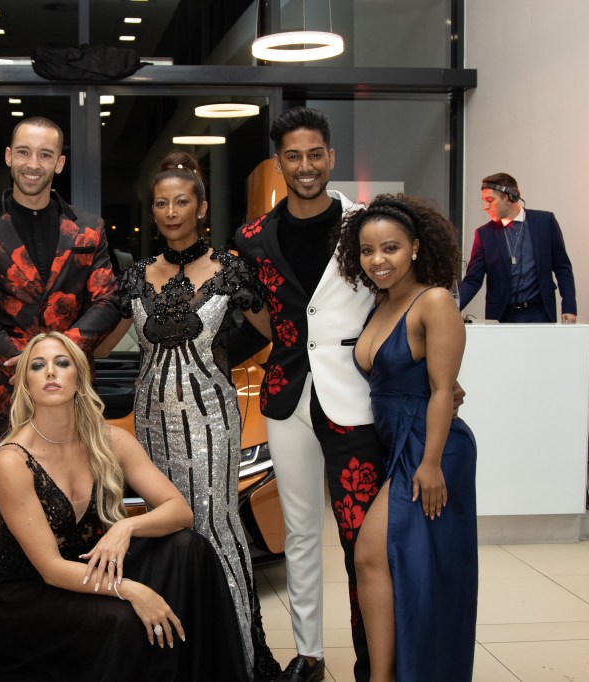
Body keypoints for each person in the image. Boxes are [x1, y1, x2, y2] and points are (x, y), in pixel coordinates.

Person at [0, 332, 249, 682]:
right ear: (26, 385)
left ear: (79, 377)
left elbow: (180, 512)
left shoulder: (110, 440)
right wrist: (131, 590)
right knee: (123, 618)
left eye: (61, 363)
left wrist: (126, 526)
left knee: (189, 547)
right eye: (37, 366)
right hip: (29, 590)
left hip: (89, 561)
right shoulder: (11, 460)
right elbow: (51, 569)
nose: (50, 372)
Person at [97, 151, 280, 681]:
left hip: (210, 417)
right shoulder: (136, 277)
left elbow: (271, 331)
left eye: (182, 202)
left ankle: (239, 656)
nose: (172, 212)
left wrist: (221, 357)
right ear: (153, 211)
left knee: (214, 522)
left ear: (201, 208)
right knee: (167, 528)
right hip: (151, 418)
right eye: (162, 203)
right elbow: (100, 345)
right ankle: (180, 651)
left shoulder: (229, 270)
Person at [232, 107, 383, 682]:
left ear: (331, 157)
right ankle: (310, 654)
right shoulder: (253, 238)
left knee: (360, 536)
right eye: (293, 156)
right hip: (287, 395)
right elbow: (258, 322)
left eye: (315, 154)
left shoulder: (368, 225)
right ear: (279, 163)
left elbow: (400, 303)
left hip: (357, 397)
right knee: (298, 532)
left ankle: (374, 658)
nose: (305, 166)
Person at [334, 194, 478, 682]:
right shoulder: (381, 303)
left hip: (432, 447)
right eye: (368, 250)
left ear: (415, 247)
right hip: (395, 445)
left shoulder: (433, 300)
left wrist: (431, 463)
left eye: (390, 248)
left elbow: (442, 390)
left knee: (387, 559)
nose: (378, 260)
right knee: (394, 565)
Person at [0, 116, 119, 481]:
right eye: (24, 152)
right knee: (7, 501)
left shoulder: (90, 228)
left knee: (82, 494)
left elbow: (108, 301)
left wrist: (58, 358)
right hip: (7, 389)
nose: (33, 164)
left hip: (75, 392)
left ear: (59, 163)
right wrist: (26, 363)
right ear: (8, 156)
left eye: (45, 155)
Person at [458, 172, 577, 323]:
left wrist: (569, 306)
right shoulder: (484, 234)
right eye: (483, 201)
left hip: (540, 313)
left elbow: (562, 267)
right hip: (502, 316)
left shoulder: (545, 222)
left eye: (490, 200)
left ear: (510, 197)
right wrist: (450, 308)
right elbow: (472, 280)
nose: (485, 207)